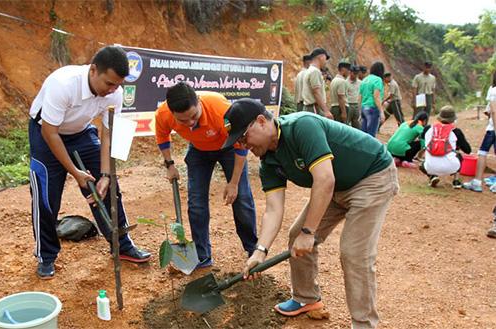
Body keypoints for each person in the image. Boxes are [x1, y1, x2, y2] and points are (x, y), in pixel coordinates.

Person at [224, 99, 398, 328]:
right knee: (296, 233)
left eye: (244, 137)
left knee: (354, 253)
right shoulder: (268, 161)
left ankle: (364, 323)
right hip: (336, 187)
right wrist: (260, 251)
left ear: (261, 121)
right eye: (239, 142)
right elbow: (274, 209)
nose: (244, 145)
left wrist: (309, 232)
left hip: (371, 177)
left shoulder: (302, 126)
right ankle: (306, 298)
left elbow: (325, 179)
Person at [28, 45, 151, 279]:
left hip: (82, 132)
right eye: (109, 83)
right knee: (46, 195)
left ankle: (121, 245)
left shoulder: (114, 92)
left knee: (109, 188)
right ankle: (46, 255)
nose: (113, 90)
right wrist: (75, 172)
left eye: (118, 85)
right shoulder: (63, 84)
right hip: (46, 133)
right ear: (93, 70)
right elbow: (50, 133)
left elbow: (107, 133)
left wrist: (104, 174)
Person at [155, 82, 257, 268]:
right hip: (199, 150)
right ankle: (202, 256)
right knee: (196, 203)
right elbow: (162, 136)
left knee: (241, 198)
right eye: (183, 121)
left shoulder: (221, 110)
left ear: (199, 102)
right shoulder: (164, 114)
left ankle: (253, 250)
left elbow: (241, 146)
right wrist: (169, 165)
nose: (190, 123)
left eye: (193, 116)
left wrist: (233, 183)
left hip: (228, 148)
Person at [419, 106, 471, 189]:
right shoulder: (456, 131)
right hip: (452, 167)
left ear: (439, 117)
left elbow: (421, 137)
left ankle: (432, 176)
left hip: (430, 167)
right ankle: (456, 181)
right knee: (458, 155)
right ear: (453, 119)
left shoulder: (428, 128)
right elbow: (468, 150)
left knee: (421, 164)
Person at [463, 70, 496, 193]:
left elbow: (493, 110)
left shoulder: (493, 90)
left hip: (493, 128)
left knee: (482, 152)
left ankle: (477, 182)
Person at [301, 48, 333, 119]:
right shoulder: (315, 71)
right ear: (321, 57)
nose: (326, 61)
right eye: (325, 58)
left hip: (310, 108)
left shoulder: (310, 70)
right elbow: (316, 92)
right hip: (314, 108)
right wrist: (326, 111)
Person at [359, 62, 385, 137]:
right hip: (372, 109)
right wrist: (381, 112)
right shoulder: (378, 80)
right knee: (371, 135)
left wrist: (360, 111)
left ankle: (362, 148)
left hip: (364, 108)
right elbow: (376, 97)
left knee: (364, 134)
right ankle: (370, 148)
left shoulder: (365, 80)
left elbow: (360, 97)